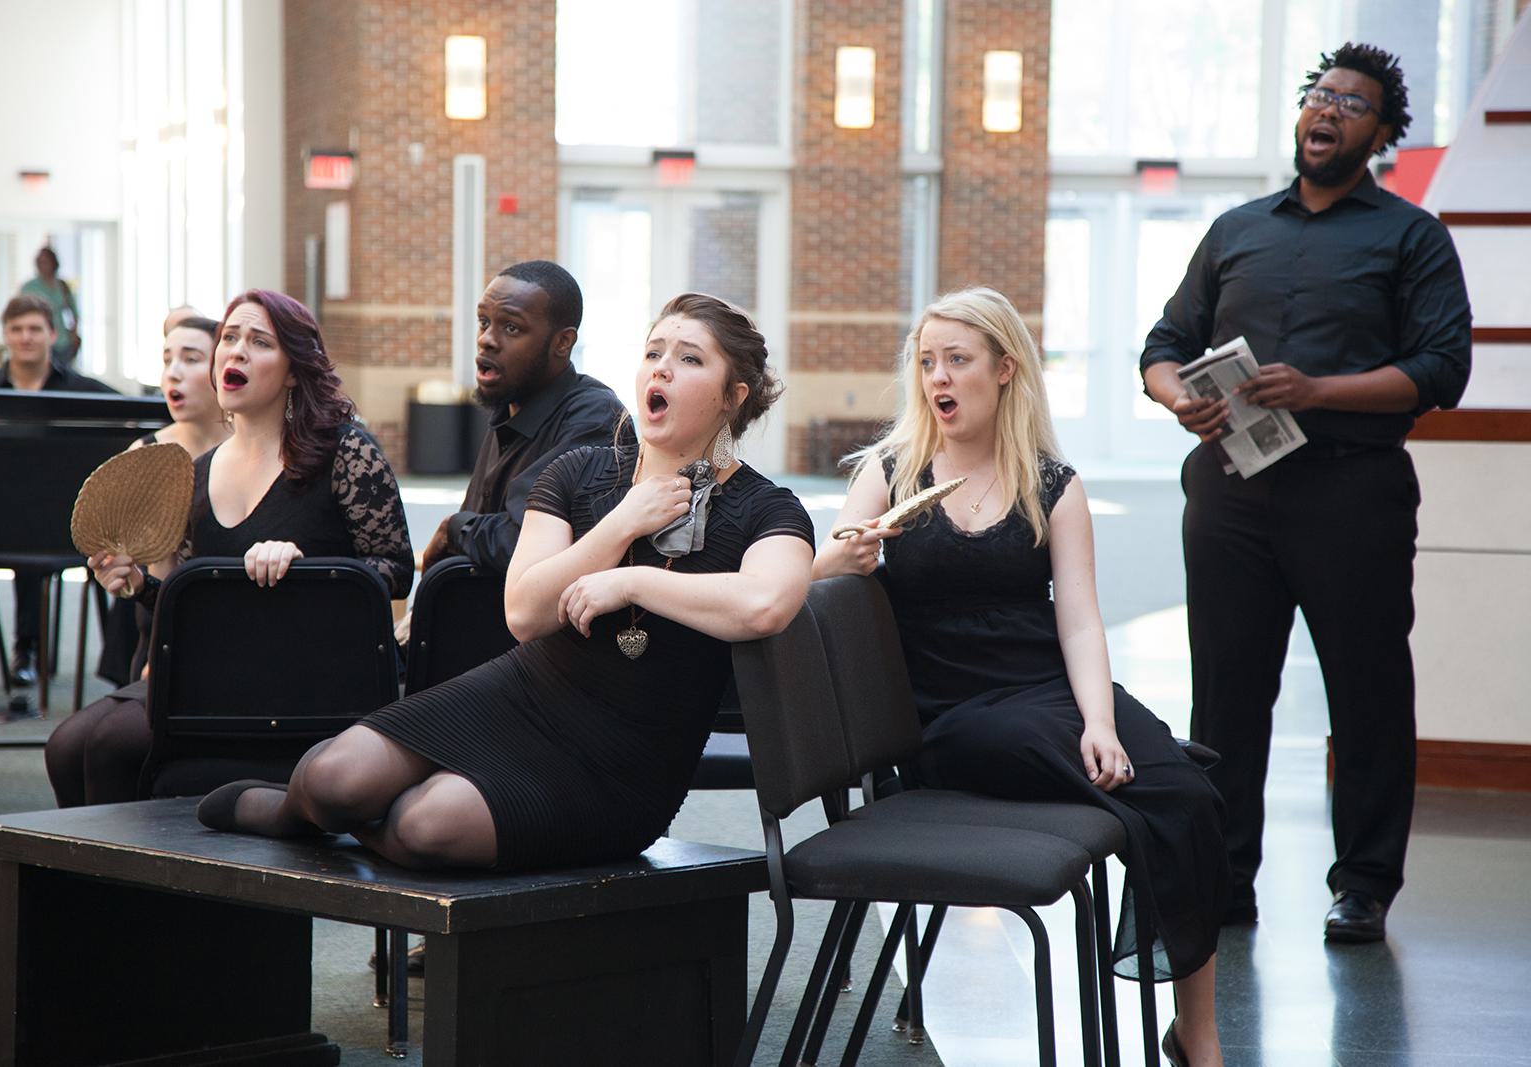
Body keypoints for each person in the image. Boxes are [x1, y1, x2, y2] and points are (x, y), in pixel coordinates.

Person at [195, 293, 813, 877]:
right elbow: (525, 611)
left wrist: (633, 582)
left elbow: (764, 606)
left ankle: (377, 820)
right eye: (653, 353)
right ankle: (293, 813)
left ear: (733, 395)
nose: (662, 369)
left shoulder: (768, 509)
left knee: (426, 826)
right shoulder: (580, 472)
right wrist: (623, 523)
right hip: (521, 695)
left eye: (689, 359)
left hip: (624, 764)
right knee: (333, 778)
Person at [814, 287, 1229, 1067]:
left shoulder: (1052, 483)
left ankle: (1195, 1032)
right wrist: (846, 556)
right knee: (1109, 772)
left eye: (958, 360)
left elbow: (1077, 620)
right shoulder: (891, 471)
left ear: (1005, 370)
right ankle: (1122, 767)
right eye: (928, 361)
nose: (939, 376)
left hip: (1045, 687)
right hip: (947, 713)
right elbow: (809, 577)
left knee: (1188, 795)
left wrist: (1100, 720)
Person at [1139, 42, 1471, 944]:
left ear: (1383, 134)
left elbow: (1442, 370)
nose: (1328, 111)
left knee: (1365, 691)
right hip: (1231, 491)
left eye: (1352, 104)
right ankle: (1223, 877)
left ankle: (1363, 885)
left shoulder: (1411, 237)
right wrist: (1181, 401)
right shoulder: (1238, 228)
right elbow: (1164, 344)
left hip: (1351, 492)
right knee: (1227, 696)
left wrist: (1319, 391)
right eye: (1320, 95)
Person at [44, 290, 414, 808]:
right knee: (64, 745)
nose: (235, 352)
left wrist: (309, 567)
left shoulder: (346, 450)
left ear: (291, 371)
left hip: (310, 675)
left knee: (110, 745)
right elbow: (201, 598)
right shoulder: (198, 473)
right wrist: (140, 587)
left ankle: (140, 883)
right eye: (229, 339)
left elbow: (396, 571)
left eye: (259, 342)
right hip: (218, 669)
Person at [419, 260, 631, 576]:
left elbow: (528, 544)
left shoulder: (595, 418)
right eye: (483, 322)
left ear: (563, 343)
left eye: (511, 327)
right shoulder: (510, 403)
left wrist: (456, 529)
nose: (486, 339)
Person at [0, 295, 119, 686]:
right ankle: (28, 648)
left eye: (35, 328)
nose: (26, 337)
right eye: (17, 329)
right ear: (5, 335)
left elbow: (128, 418)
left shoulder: (81, 390)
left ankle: (35, 650)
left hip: (68, 515)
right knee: (23, 531)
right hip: (2, 517)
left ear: (52, 334)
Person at [95, 315, 232, 687]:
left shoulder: (255, 448)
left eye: (190, 359)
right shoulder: (146, 454)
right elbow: (158, 576)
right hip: (168, 630)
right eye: (167, 359)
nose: (173, 372)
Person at [20, 247, 80, 367]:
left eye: (46, 261)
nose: (43, 265)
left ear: (54, 263)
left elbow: (74, 312)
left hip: (63, 341)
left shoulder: (62, 286)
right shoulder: (29, 287)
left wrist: (73, 333)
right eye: (40, 262)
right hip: (39, 340)